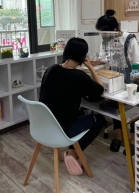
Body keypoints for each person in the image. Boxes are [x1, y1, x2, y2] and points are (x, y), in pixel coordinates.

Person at [39, 37, 106, 175]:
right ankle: (73, 152)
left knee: (81, 112)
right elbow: (100, 90)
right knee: (100, 120)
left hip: (44, 127)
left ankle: (72, 151)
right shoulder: (78, 76)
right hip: (62, 129)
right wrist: (90, 67)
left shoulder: (51, 69)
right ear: (83, 56)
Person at [94, 9, 139, 153]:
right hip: (114, 76)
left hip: (130, 76)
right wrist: (92, 63)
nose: (103, 36)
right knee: (115, 105)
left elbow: (136, 60)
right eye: (101, 33)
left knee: (132, 106)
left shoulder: (129, 38)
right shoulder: (105, 40)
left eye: (104, 32)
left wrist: (134, 78)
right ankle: (119, 135)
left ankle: (133, 138)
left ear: (114, 29)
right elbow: (103, 58)